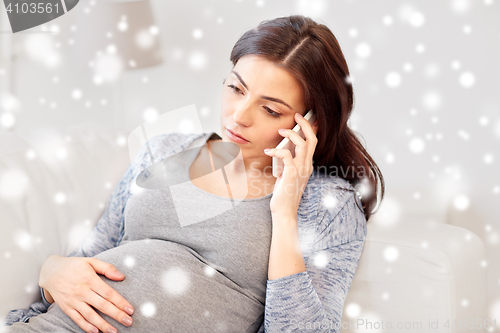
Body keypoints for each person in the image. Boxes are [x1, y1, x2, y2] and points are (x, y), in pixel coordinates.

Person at [4, 14, 384, 333]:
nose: (239, 115)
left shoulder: (327, 205)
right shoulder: (164, 150)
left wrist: (284, 211)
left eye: (270, 110)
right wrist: (52, 272)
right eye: (236, 88)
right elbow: (90, 259)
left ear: (311, 124)